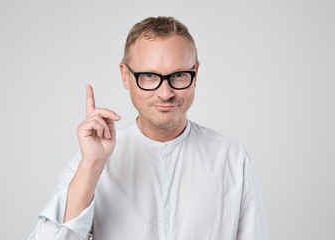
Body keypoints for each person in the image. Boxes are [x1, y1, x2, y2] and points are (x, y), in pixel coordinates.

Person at [29, 16, 269, 240]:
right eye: (149, 77)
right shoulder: (94, 158)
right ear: (126, 76)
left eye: (179, 75)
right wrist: (92, 165)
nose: (166, 93)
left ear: (195, 74)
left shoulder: (232, 158)